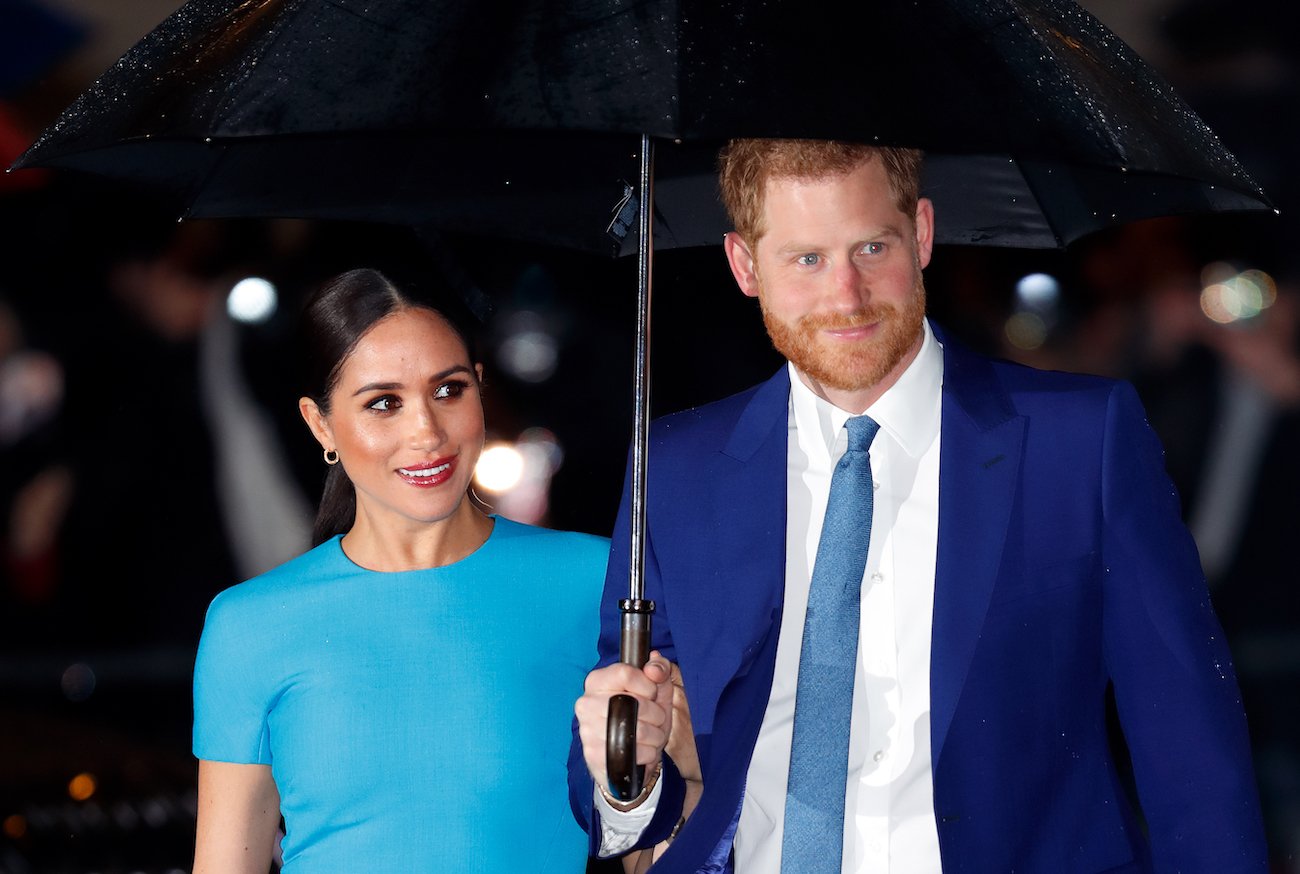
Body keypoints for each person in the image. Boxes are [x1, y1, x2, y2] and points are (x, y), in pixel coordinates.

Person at [569, 140, 1268, 873]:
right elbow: (623, 783)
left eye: (872, 247)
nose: (847, 295)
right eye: (807, 259)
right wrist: (628, 774)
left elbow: (1189, 743)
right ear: (745, 265)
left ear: (923, 232)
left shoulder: (1080, 441)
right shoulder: (675, 468)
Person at [192, 267, 609, 873]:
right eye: (383, 403)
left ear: (480, 389)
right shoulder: (250, 625)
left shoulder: (597, 583)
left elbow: (655, 845)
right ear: (320, 423)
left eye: (448, 390)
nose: (426, 432)